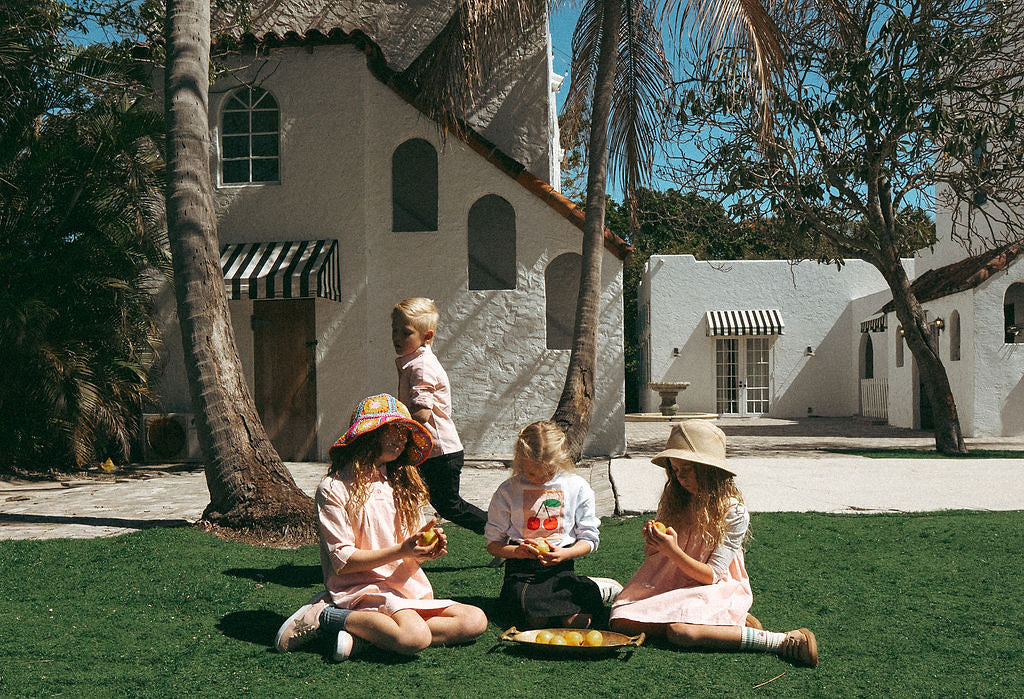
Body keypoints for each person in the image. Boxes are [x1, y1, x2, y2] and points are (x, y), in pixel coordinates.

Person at [273, 394, 489, 661]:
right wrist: (402, 550)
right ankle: (325, 615)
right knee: (416, 637)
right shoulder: (333, 489)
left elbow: (408, 551)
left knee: (475, 620)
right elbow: (343, 562)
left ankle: (368, 636)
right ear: (368, 433)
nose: (401, 439)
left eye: (405, 432)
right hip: (361, 590)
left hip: (402, 589)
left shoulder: (400, 485)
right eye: (393, 430)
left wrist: (423, 551)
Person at [608, 420, 819, 667]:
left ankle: (781, 641)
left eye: (687, 468)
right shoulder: (676, 501)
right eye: (675, 470)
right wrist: (654, 543)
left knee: (681, 633)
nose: (680, 477)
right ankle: (725, 622)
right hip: (672, 581)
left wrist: (672, 551)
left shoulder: (733, 511)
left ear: (709, 469)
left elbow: (711, 577)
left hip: (713, 585)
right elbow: (651, 555)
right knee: (619, 622)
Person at [485, 421, 622, 628]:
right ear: (520, 463)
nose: (540, 480)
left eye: (548, 473)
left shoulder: (576, 487)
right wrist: (516, 551)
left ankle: (594, 588)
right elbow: (493, 544)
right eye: (531, 473)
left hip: (560, 570)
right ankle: (588, 589)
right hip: (522, 572)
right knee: (536, 621)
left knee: (579, 623)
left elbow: (589, 538)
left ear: (561, 459)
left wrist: (565, 554)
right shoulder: (508, 490)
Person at [392, 297, 488, 536]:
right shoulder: (414, 362)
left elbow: (422, 413)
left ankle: (503, 533)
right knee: (402, 491)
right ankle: (397, 541)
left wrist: (393, 425)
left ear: (427, 336)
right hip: (428, 449)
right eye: (394, 331)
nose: (397, 338)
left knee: (449, 506)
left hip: (439, 452)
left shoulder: (421, 366)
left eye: (406, 333)